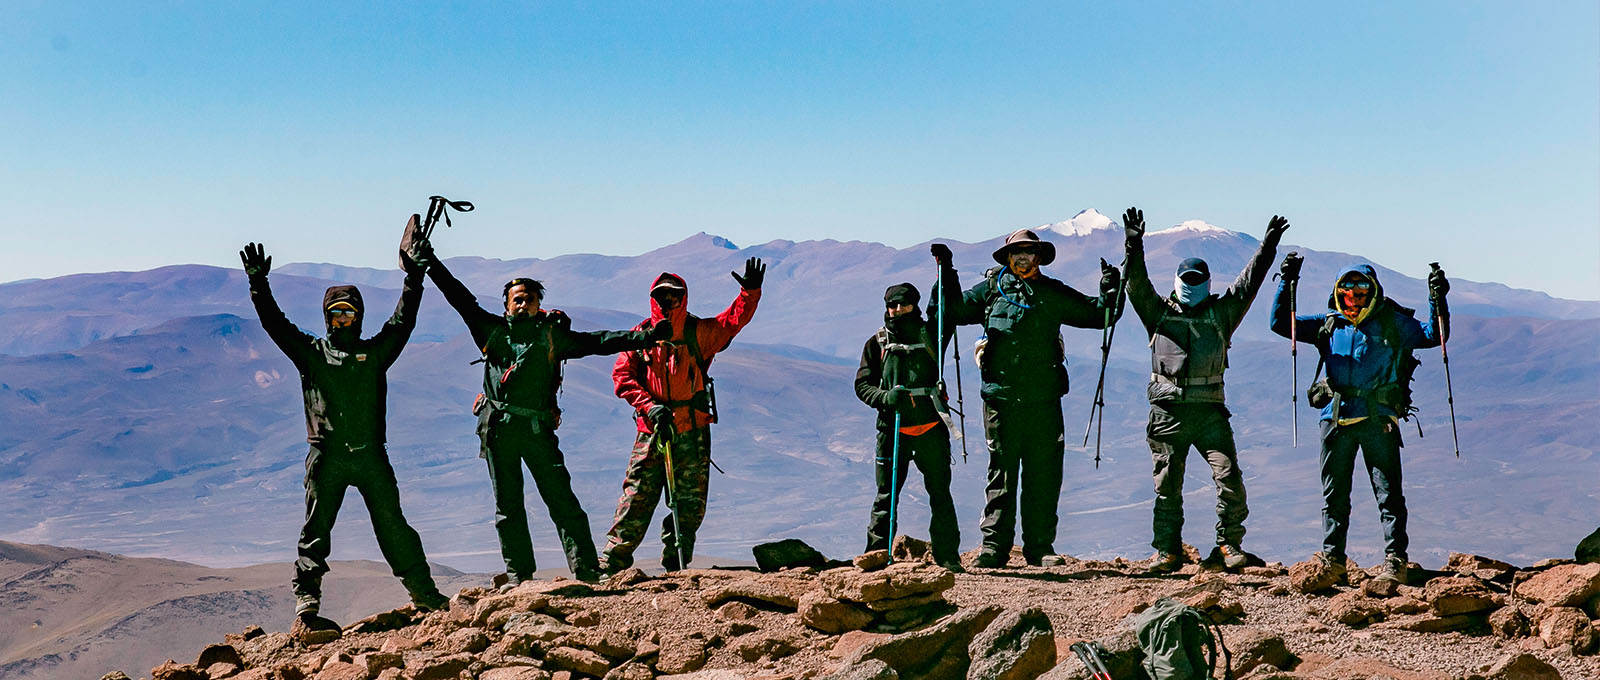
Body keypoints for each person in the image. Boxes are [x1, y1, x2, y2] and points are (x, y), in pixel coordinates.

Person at [426, 253, 671, 587]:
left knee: (562, 500)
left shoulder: (551, 337)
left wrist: (645, 337)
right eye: (517, 299)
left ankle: (586, 570)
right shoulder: (491, 331)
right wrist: (429, 260)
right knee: (508, 507)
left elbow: (598, 341)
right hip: (498, 431)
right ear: (506, 304)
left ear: (540, 303)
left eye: (530, 299)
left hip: (538, 431)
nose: (523, 304)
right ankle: (518, 577)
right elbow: (456, 294)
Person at [238, 241, 448, 619]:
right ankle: (307, 599)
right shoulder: (312, 354)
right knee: (316, 530)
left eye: (349, 313)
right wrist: (259, 286)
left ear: (360, 316)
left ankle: (425, 593)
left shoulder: (376, 354)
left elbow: (403, 322)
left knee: (394, 528)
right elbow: (275, 324)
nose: (342, 320)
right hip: (327, 456)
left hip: (371, 455)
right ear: (326, 317)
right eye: (335, 313)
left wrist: (414, 277)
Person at [928, 231, 1121, 568]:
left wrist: (1110, 288)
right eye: (1016, 252)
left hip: (1044, 401)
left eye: (1029, 253)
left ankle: (1040, 547)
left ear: (1039, 258)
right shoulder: (990, 291)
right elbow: (954, 312)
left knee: (1043, 474)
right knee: (1000, 472)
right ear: (1007, 257)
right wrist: (948, 271)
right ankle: (994, 548)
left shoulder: (1052, 292)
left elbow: (1100, 315)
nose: (1022, 258)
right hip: (1000, 401)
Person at [1121, 208, 1288, 573]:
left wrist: (1267, 248)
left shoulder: (1221, 314)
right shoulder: (1158, 313)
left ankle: (1228, 546)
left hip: (1210, 413)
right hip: (1168, 413)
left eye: (1197, 278)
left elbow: (1250, 283)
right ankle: (1167, 552)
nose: (1192, 284)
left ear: (1207, 281)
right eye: (1188, 278)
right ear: (1178, 279)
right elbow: (1135, 284)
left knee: (1229, 478)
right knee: (1167, 486)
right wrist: (1133, 245)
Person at [1271, 254, 1450, 583]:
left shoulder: (1391, 321)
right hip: (1335, 418)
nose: (1354, 292)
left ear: (1374, 289)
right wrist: (1287, 282)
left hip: (1377, 419)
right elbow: (1282, 324)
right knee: (1334, 494)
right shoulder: (1329, 324)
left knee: (1388, 493)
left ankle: (1395, 560)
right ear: (1338, 289)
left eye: (1362, 285)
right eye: (1348, 285)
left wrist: (1437, 299)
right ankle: (1333, 560)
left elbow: (1433, 335)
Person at [599, 259, 765, 573]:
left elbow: (732, 322)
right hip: (653, 428)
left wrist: (750, 293)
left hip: (692, 428)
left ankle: (676, 560)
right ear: (653, 299)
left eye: (673, 295)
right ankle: (612, 560)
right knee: (637, 496)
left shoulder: (698, 332)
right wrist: (649, 406)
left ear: (682, 297)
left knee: (690, 502)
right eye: (662, 296)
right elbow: (622, 376)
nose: (667, 301)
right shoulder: (642, 336)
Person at [853, 283, 961, 570]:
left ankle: (948, 557)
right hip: (892, 429)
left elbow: (946, 310)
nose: (898, 310)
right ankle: (876, 556)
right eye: (893, 305)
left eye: (904, 305)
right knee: (885, 497)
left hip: (930, 429)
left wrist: (946, 271)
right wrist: (885, 397)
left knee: (940, 494)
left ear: (915, 305)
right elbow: (862, 385)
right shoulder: (876, 343)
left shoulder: (931, 335)